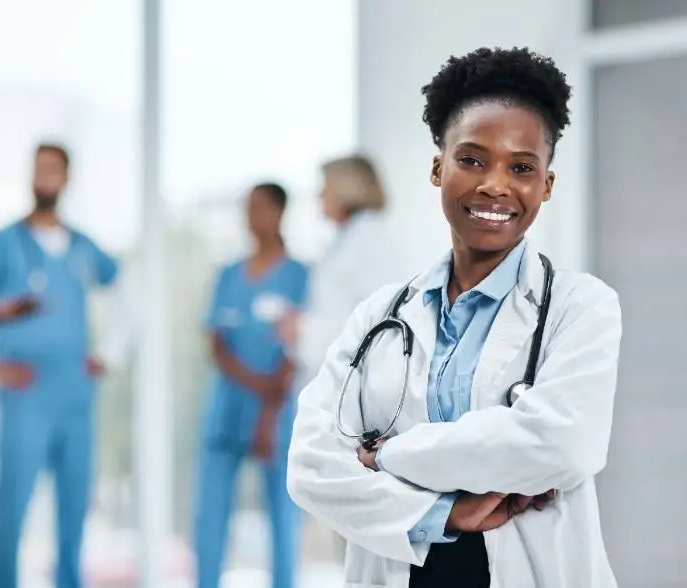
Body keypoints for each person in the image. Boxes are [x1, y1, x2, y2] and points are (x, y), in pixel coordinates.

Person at [285, 47, 623, 588]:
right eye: (472, 159)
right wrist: (442, 512)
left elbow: (562, 446)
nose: (495, 184)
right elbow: (310, 464)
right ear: (438, 168)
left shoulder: (580, 307)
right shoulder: (378, 315)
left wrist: (390, 456)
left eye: (521, 167)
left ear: (546, 184)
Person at [0, 143, 120, 588]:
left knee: (74, 510)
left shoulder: (84, 248)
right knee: (12, 508)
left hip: (74, 394)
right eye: (37, 168)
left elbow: (127, 298)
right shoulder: (2, 244)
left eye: (52, 169)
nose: (43, 177)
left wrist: (108, 355)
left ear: (67, 178)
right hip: (24, 392)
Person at [194, 183, 309, 588]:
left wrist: (268, 404)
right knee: (210, 514)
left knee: (283, 514)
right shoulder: (228, 275)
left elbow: (302, 347)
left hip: (277, 409)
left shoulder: (299, 277)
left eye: (259, 207)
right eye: (247, 207)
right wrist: (255, 382)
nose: (250, 216)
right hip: (226, 407)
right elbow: (216, 342)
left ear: (279, 212)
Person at [278, 154, 407, 388]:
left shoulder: (371, 241)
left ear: (346, 189)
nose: (319, 195)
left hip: (353, 384)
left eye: (325, 187)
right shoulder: (346, 240)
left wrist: (304, 329)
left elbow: (378, 324)